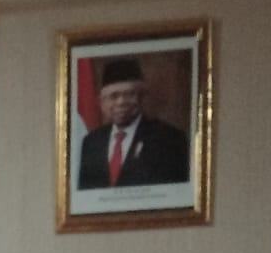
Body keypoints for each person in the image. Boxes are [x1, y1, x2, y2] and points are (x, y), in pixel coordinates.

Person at [77, 57, 190, 189]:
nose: (121, 102)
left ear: (142, 97)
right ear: (101, 102)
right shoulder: (91, 143)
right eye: (113, 96)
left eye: (129, 94)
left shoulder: (169, 139)